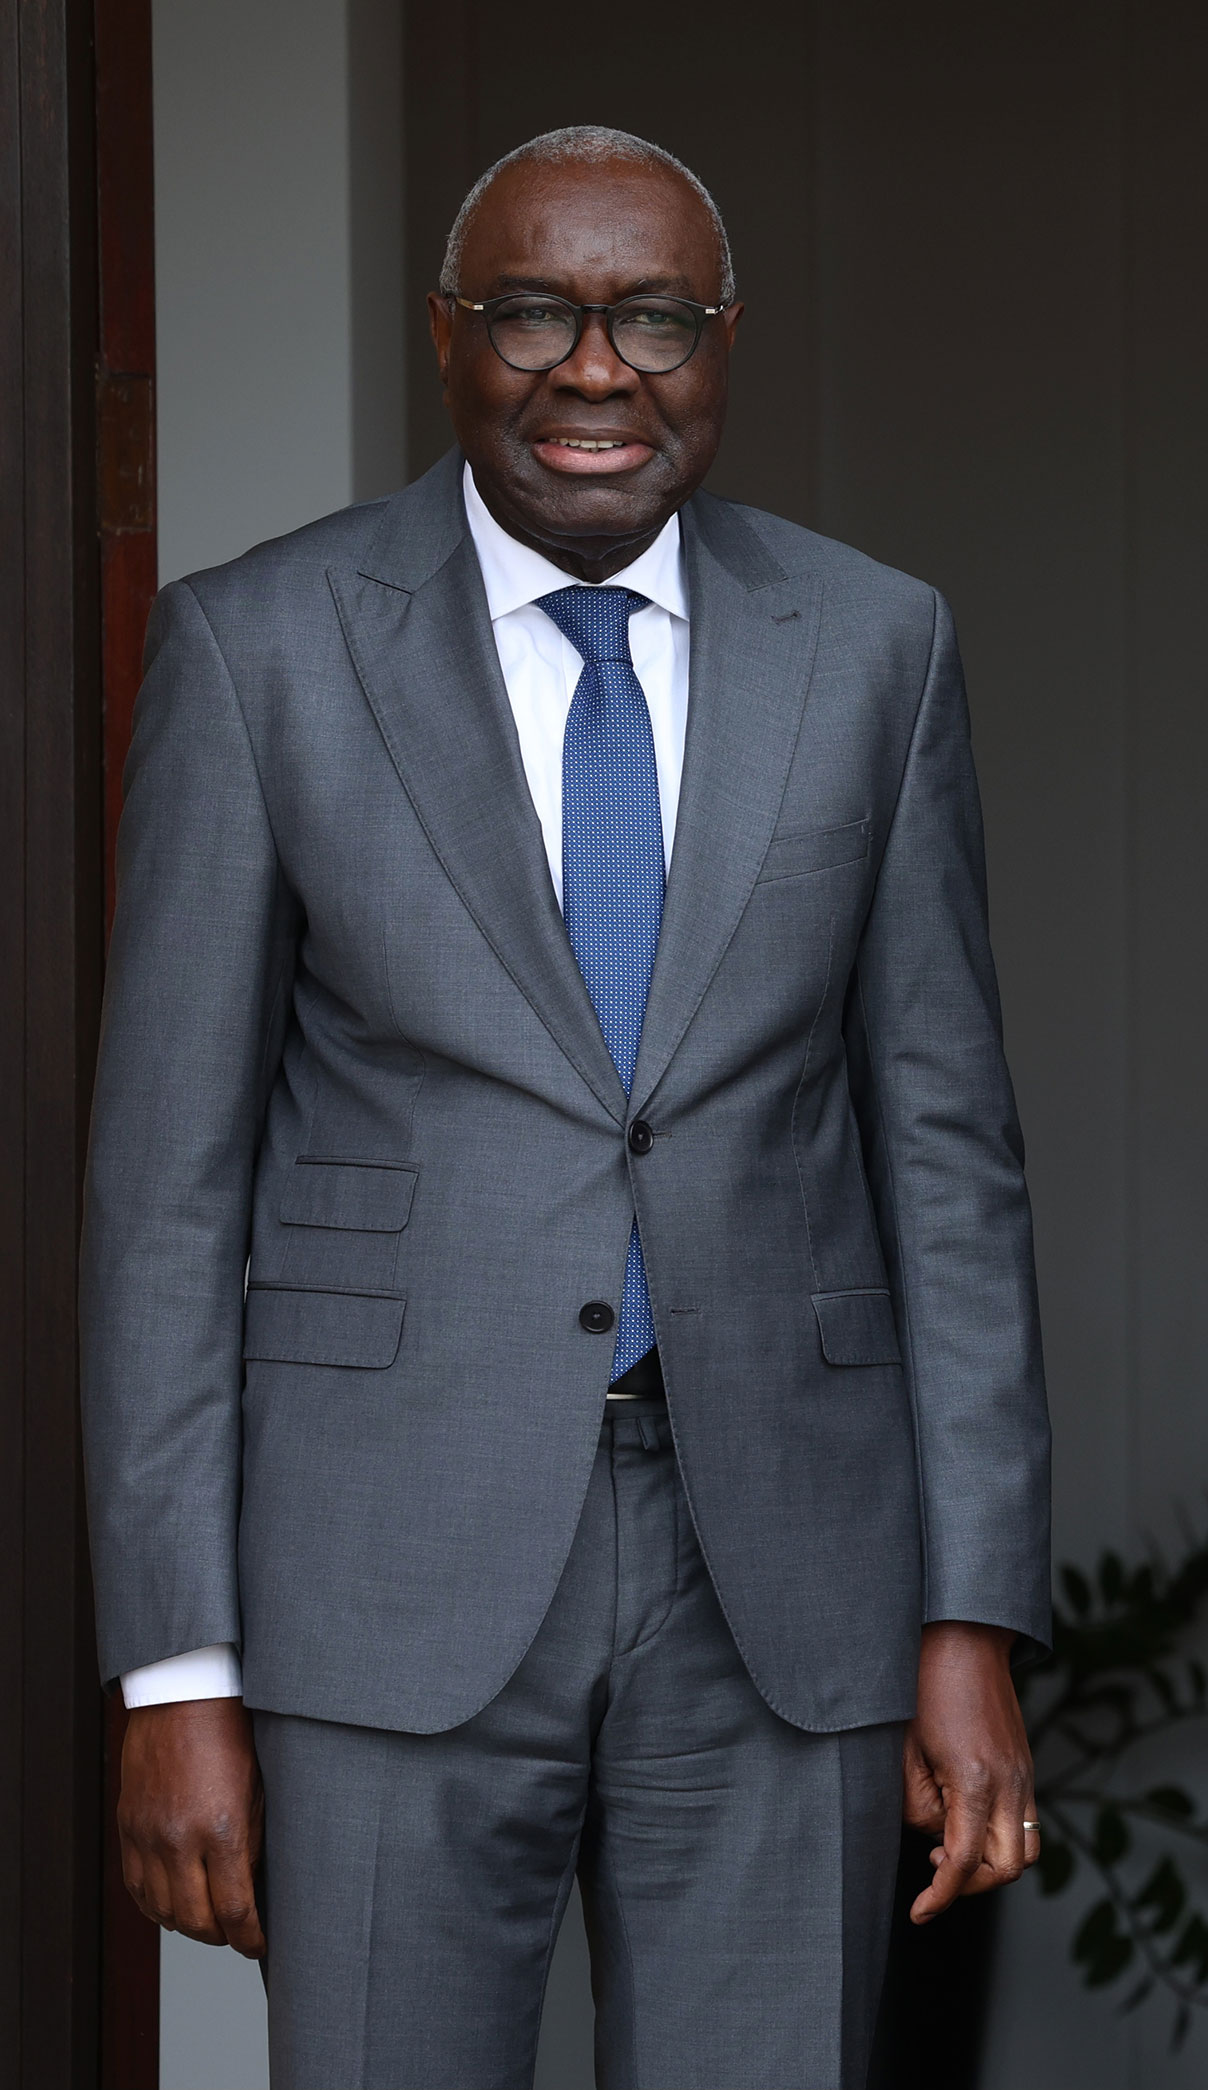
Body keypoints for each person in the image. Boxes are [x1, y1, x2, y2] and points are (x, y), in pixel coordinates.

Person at [83, 126, 1050, 2085]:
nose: (596, 371)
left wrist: (972, 1616)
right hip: (378, 1579)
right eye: (533, 313)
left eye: (654, 319)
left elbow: (949, 1161)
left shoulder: (876, 647)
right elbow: (165, 1192)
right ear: (446, 334)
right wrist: (176, 1666)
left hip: (783, 1578)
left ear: (726, 339)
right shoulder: (261, 648)